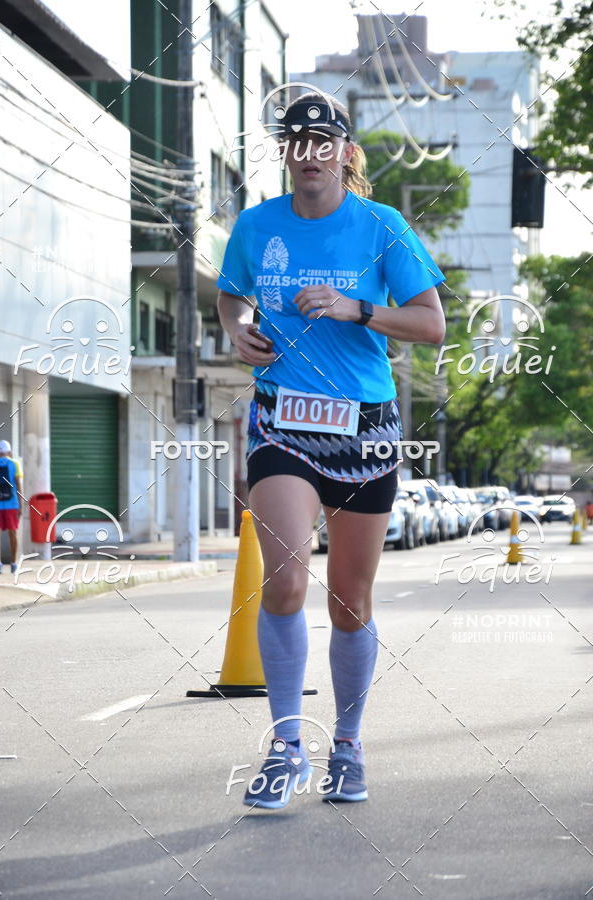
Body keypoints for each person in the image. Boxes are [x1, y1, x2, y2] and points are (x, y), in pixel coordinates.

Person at [216, 92, 446, 809]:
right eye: (296, 140)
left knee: (350, 603)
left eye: (324, 140)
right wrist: (236, 329)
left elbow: (432, 325)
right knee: (284, 581)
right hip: (281, 422)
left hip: (364, 431)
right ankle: (286, 747)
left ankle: (347, 745)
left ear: (346, 153)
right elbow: (230, 294)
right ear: (286, 154)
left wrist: (358, 309)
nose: (309, 152)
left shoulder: (382, 227)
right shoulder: (256, 227)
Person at [0, 439, 23, 575]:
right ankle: (14, 563)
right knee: (13, 533)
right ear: (9, 452)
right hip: (12, 504)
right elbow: (19, 485)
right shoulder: (15, 464)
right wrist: (21, 504)